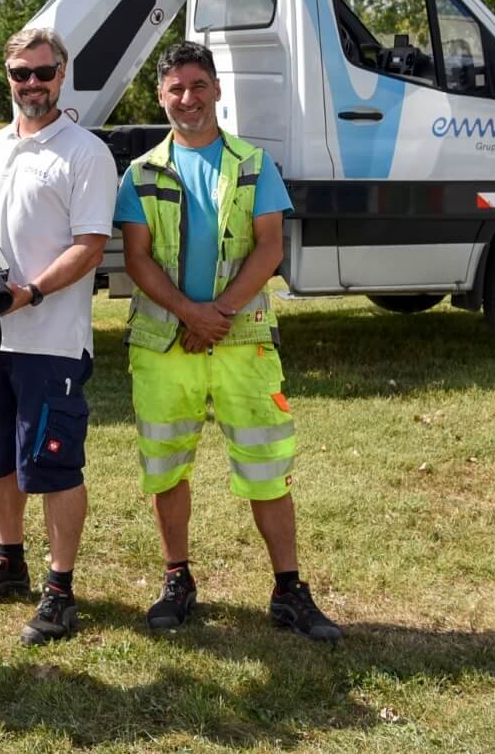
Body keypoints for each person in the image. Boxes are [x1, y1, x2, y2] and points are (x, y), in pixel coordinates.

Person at [116, 41, 340, 642]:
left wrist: (220, 313)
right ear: (161, 98)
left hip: (243, 342)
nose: (187, 99)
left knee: (267, 467)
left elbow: (270, 246)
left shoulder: (254, 164)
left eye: (197, 86)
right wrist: (190, 314)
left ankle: (289, 590)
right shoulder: (141, 173)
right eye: (175, 90)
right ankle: (176, 579)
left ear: (216, 89)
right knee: (165, 468)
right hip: (165, 344)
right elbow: (136, 259)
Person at [0, 28, 119, 646]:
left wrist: (32, 293)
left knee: (52, 466)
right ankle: (9, 563)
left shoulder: (85, 152)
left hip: (50, 339)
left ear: (62, 74)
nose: (32, 85)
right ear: (8, 77)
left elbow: (90, 247)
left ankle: (60, 589)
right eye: (21, 74)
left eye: (43, 72)